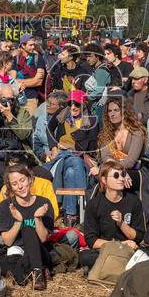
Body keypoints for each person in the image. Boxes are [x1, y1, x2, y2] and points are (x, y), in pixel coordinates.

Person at [0, 164, 55, 290]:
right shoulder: (5, 206)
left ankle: (37, 273)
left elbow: (43, 238)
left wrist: (38, 219)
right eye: (14, 184)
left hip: (39, 250)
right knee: (13, 271)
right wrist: (18, 221)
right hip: (15, 251)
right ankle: (32, 270)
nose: (20, 186)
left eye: (22, 180)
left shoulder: (43, 203)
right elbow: (8, 241)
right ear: (10, 187)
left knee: (28, 228)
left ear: (30, 179)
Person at [45, 89, 99, 222]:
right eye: (70, 104)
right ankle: (86, 207)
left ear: (83, 105)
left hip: (81, 157)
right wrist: (53, 147)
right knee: (74, 162)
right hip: (62, 154)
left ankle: (71, 214)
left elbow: (93, 147)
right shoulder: (61, 113)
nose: (73, 107)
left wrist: (82, 152)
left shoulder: (91, 121)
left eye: (77, 104)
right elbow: (49, 128)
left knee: (70, 171)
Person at [79, 161, 145, 270]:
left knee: (147, 255)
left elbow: (138, 236)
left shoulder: (134, 201)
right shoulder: (94, 204)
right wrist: (120, 245)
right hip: (105, 250)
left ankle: (108, 267)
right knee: (85, 257)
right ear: (104, 180)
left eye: (123, 174)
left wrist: (121, 223)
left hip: (128, 251)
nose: (121, 178)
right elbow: (92, 241)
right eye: (116, 175)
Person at [14, 33, 47, 114]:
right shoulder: (15, 59)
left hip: (31, 99)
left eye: (33, 45)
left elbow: (38, 82)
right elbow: (13, 81)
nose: (33, 47)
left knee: (30, 121)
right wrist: (33, 80)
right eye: (30, 45)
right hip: (16, 98)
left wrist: (19, 82)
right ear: (23, 45)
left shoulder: (38, 58)